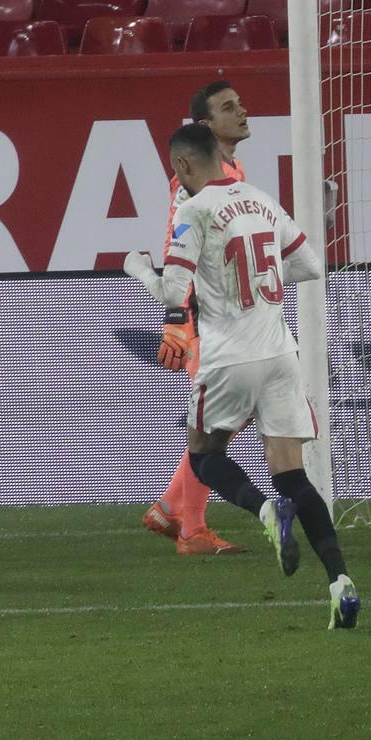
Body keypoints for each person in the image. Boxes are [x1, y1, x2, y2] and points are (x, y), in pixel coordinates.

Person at [124, 124, 361, 629]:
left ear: (184, 167)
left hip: (229, 356)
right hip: (279, 352)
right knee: (293, 475)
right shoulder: (259, 198)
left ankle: (263, 512)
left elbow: (172, 294)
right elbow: (310, 266)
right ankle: (340, 582)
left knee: (205, 457)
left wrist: (139, 270)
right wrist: (256, 281)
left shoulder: (192, 210)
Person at [143, 81, 252, 555]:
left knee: (227, 417)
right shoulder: (193, 179)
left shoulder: (230, 168)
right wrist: (176, 318)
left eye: (239, 103)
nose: (242, 112)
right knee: (219, 419)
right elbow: (176, 245)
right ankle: (192, 530)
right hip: (199, 312)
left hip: (217, 310)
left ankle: (169, 509)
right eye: (229, 108)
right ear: (206, 125)